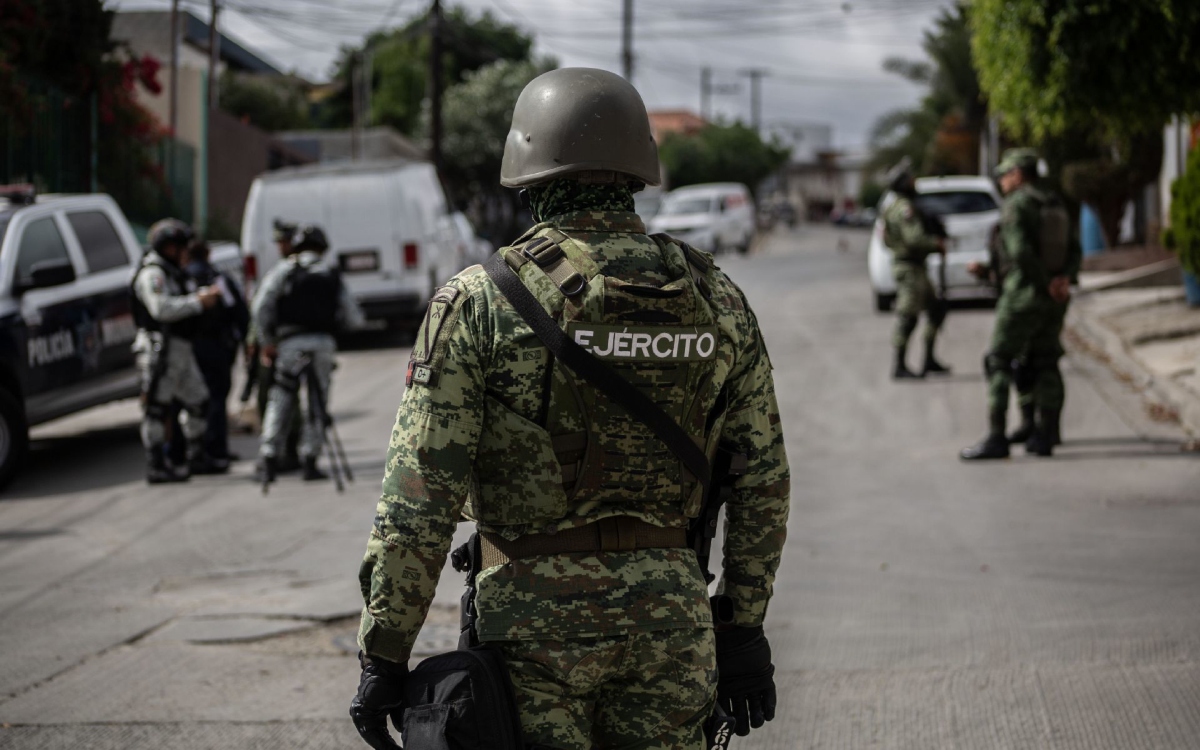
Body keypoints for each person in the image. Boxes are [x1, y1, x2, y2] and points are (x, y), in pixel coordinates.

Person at [349, 68, 791, 749]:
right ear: (639, 169)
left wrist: (384, 651)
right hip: (671, 626)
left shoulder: (479, 301)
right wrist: (742, 627)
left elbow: (419, 498)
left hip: (530, 634)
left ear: (528, 170)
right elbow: (761, 481)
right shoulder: (718, 298)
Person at [960, 148, 1073, 460]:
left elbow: (1020, 252)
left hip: (1024, 295)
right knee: (1045, 361)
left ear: (1018, 175)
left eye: (1004, 174)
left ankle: (996, 438)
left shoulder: (1017, 205)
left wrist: (1043, 282)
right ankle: (1046, 433)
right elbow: (1073, 248)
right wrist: (1062, 280)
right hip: (1055, 298)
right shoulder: (1053, 200)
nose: (1001, 181)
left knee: (998, 360)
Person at [253, 224, 363, 484]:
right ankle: (310, 461)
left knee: (281, 398)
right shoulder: (331, 274)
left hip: (290, 344)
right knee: (317, 403)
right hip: (322, 345)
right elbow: (355, 318)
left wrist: (266, 341)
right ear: (322, 248)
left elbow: (260, 306)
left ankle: (269, 457)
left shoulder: (285, 270)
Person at [131, 219, 224, 483]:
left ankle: (197, 456)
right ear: (170, 248)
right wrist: (198, 302)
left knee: (199, 401)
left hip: (181, 349)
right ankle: (156, 464)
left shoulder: (174, 272)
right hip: (160, 349)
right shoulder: (153, 274)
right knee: (157, 409)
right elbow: (160, 309)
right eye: (182, 247)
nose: (186, 253)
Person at [882, 158, 951, 379]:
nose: (915, 182)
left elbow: (886, 239)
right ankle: (899, 366)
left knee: (936, 309)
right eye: (910, 179)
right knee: (908, 317)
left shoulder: (894, 206)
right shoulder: (904, 208)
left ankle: (928, 360)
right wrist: (935, 243)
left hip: (914, 267)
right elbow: (914, 238)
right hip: (909, 269)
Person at [183, 240, 250, 465]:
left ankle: (195, 450)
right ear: (208, 254)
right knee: (216, 398)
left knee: (192, 400)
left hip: (190, 347)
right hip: (217, 347)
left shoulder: (182, 278)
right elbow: (239, 313)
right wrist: (245, 342)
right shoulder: (218, 278)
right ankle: (215, 449)